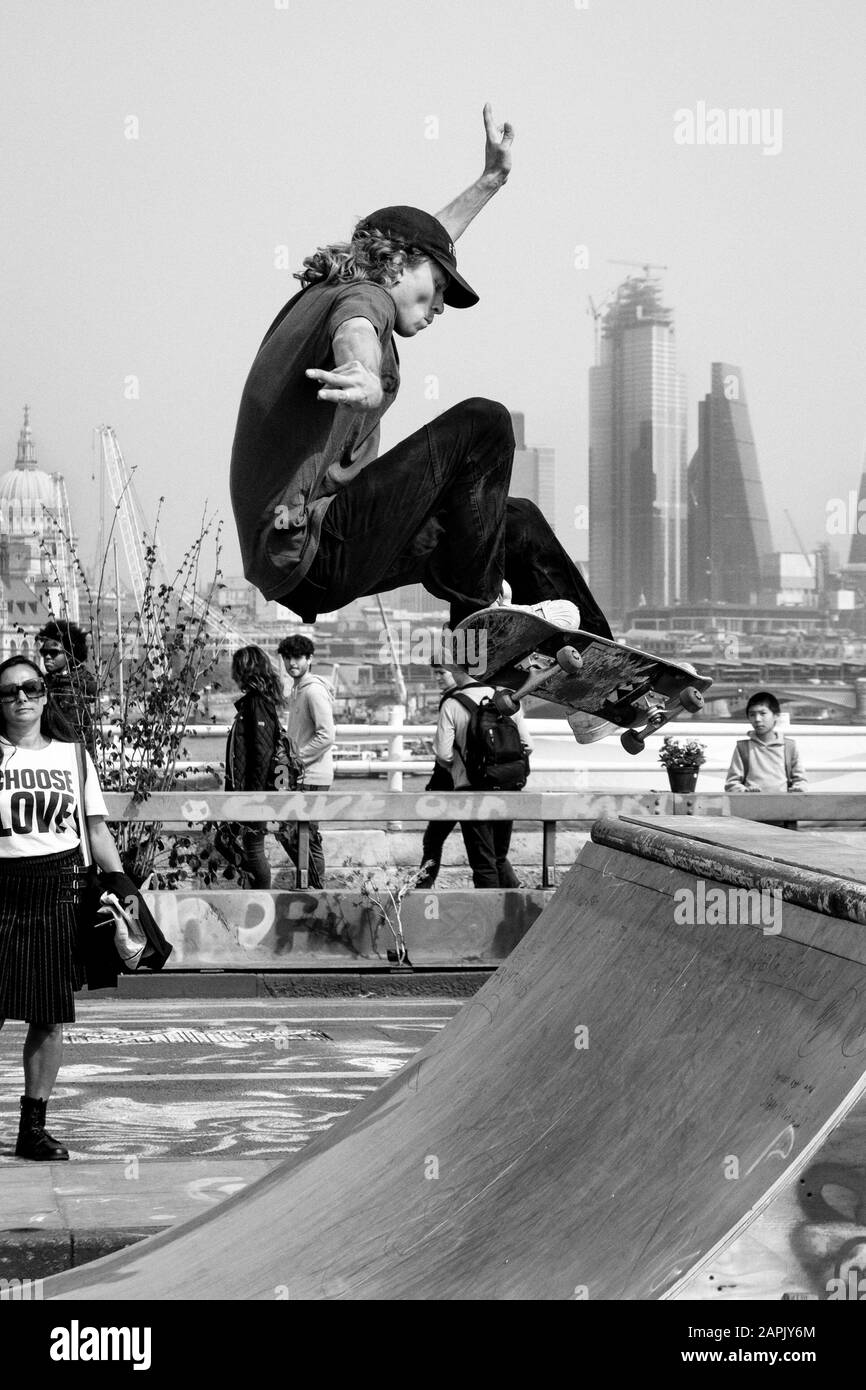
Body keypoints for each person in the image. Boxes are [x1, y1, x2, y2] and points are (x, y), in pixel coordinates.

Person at [229, 105, 612, 668]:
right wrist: (361, 371)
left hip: (312, 565)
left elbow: (426, 241)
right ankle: (475, 618)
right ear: (397, 264)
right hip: (310, 540)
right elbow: (358, 328)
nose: (438, 309)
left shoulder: (361, 278)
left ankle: (598, 667)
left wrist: (491, 181)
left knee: (514, 522)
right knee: (484, 423)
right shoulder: (361, 297)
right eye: (436, 291)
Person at [0, 655, 122, 1160]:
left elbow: (96, 829)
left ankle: (33, 1129)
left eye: (30, 688)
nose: (21, 698)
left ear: (46, 694)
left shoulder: (73, 756)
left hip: (58, 886)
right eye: (9, 692)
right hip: (1, 885)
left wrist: (121, 886)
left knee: (48, 1016)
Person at [432, 666, 532, 888]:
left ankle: (489, 916)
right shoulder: (506, 699)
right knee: (499, 856)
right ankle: (509, 917)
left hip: (472, 790)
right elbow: (528, 746)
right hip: (508, 788)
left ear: (459, 672)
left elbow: (443, 754)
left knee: (483, 862)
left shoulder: (453, 703)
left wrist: (457, 767)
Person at [224, 646, 288, 889]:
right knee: (234, 842)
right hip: (249, 792)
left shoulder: (257, 704)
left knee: (251, 849)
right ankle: (255, 887)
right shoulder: (255, 703)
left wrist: (253, 797)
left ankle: (261, 895)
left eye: (235, 667)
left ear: (244, 669)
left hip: (253, 793)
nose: (232, 672)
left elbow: (262, 755)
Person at [277, 634, 335, 889]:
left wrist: (296, 759)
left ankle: (316, 888)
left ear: (309, 659)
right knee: (296, 833)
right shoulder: (297, 690)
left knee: (300, 834)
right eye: (288, 658)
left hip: (312, 775)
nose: (292, 663)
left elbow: (327, 735)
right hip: (303, 774)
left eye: (298, 657)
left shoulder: (313, 691)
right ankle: (311, 886)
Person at [725, 691, 807, 828]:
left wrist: (797, 790)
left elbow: (801, 781)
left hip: (784, 817)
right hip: (749, 818)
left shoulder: (789, 747)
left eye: (763, 713)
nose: (757, 719)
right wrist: (745, 792)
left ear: (776, 716)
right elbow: (731, 785)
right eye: (752, 714)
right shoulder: (743, 748)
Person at [36, 620, 98, 750]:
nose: (47, 657)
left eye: (53, 653)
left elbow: (68, 730)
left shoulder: (75, 686)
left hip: (72, 754)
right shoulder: (46, 682)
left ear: (69, 655)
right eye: (44, 652)